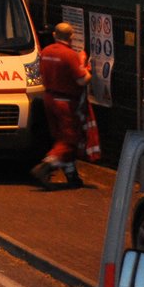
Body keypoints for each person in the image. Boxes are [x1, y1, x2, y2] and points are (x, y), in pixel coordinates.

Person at [30, 22, 89, 187]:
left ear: (55, 35)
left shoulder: (46, 52)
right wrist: (86, 69)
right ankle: (46, 166)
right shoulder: (70, 55)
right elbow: (82, 79)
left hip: (49, 98)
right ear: (71, 37)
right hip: (66, 102)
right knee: (69, 140)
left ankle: (72, 176)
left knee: (59, 138)